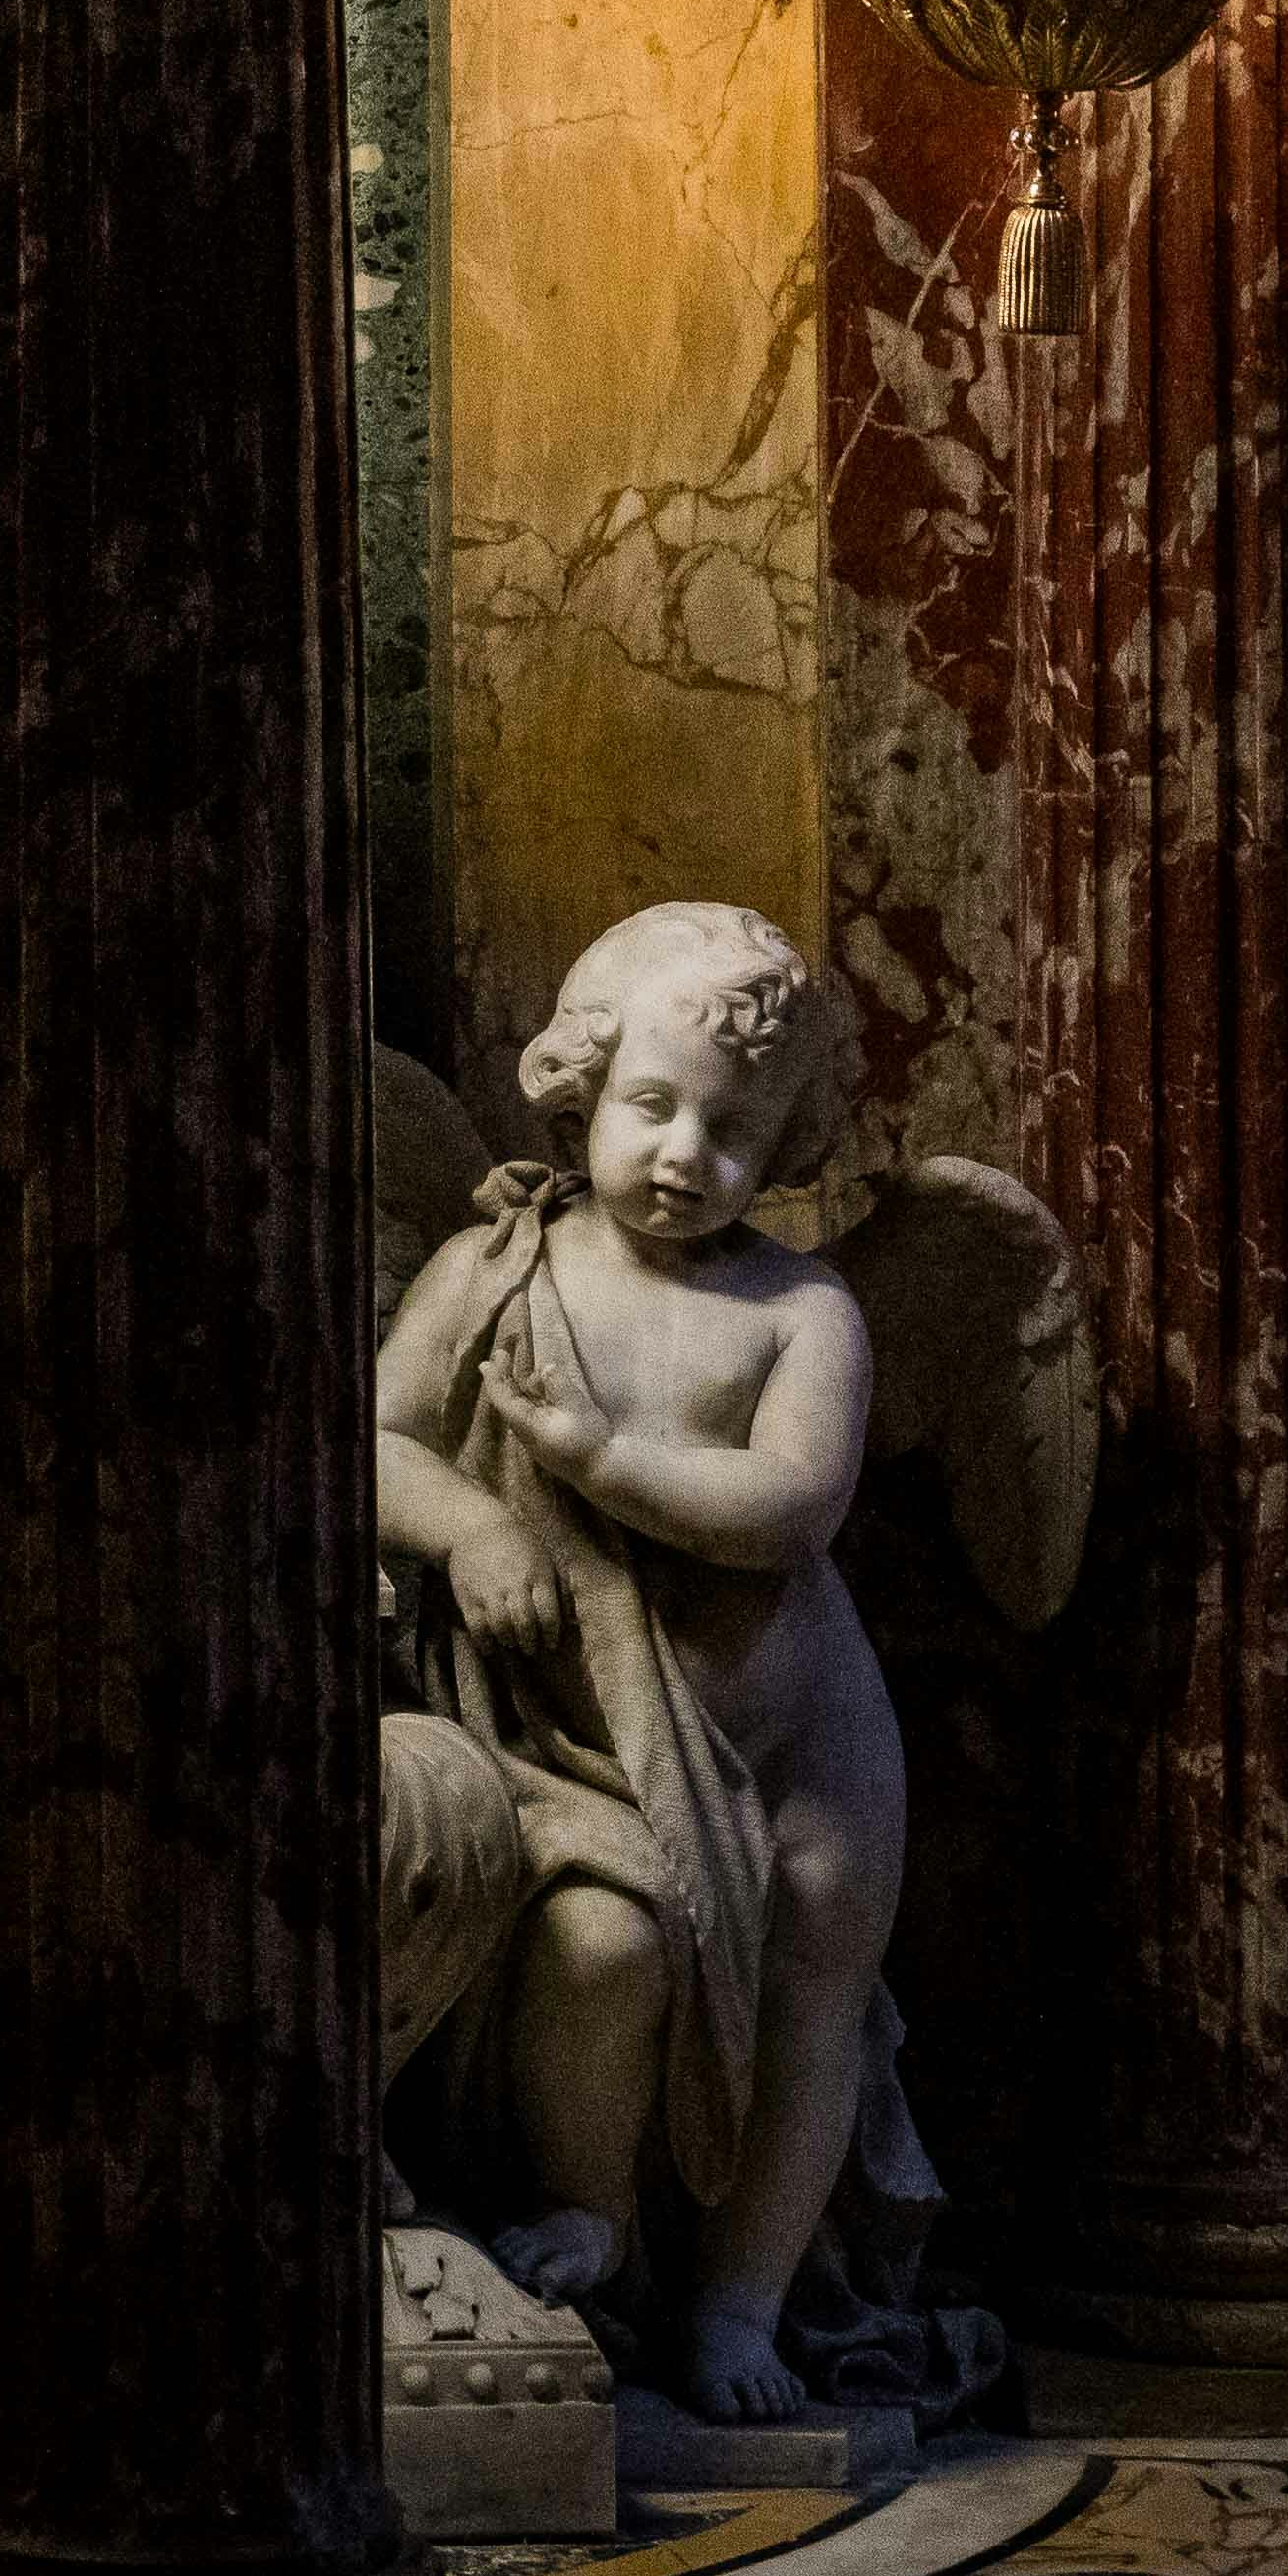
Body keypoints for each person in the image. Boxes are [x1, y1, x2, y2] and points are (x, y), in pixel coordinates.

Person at [371, 901, 916, 2430]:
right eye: (651, 1105)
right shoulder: (496, 1270)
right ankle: (591, 2214)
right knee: (602, 1954)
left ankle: (741, 2305)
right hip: (570, 1738)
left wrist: (599, 1457)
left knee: (813, 2000)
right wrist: (477, 1524)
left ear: (788, 1141)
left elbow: (790, 1508)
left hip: (804, 1742)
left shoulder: (801, 1309)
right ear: (579, 1091)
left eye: (734, 1129)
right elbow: (370, 1441)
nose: (684, 1152)